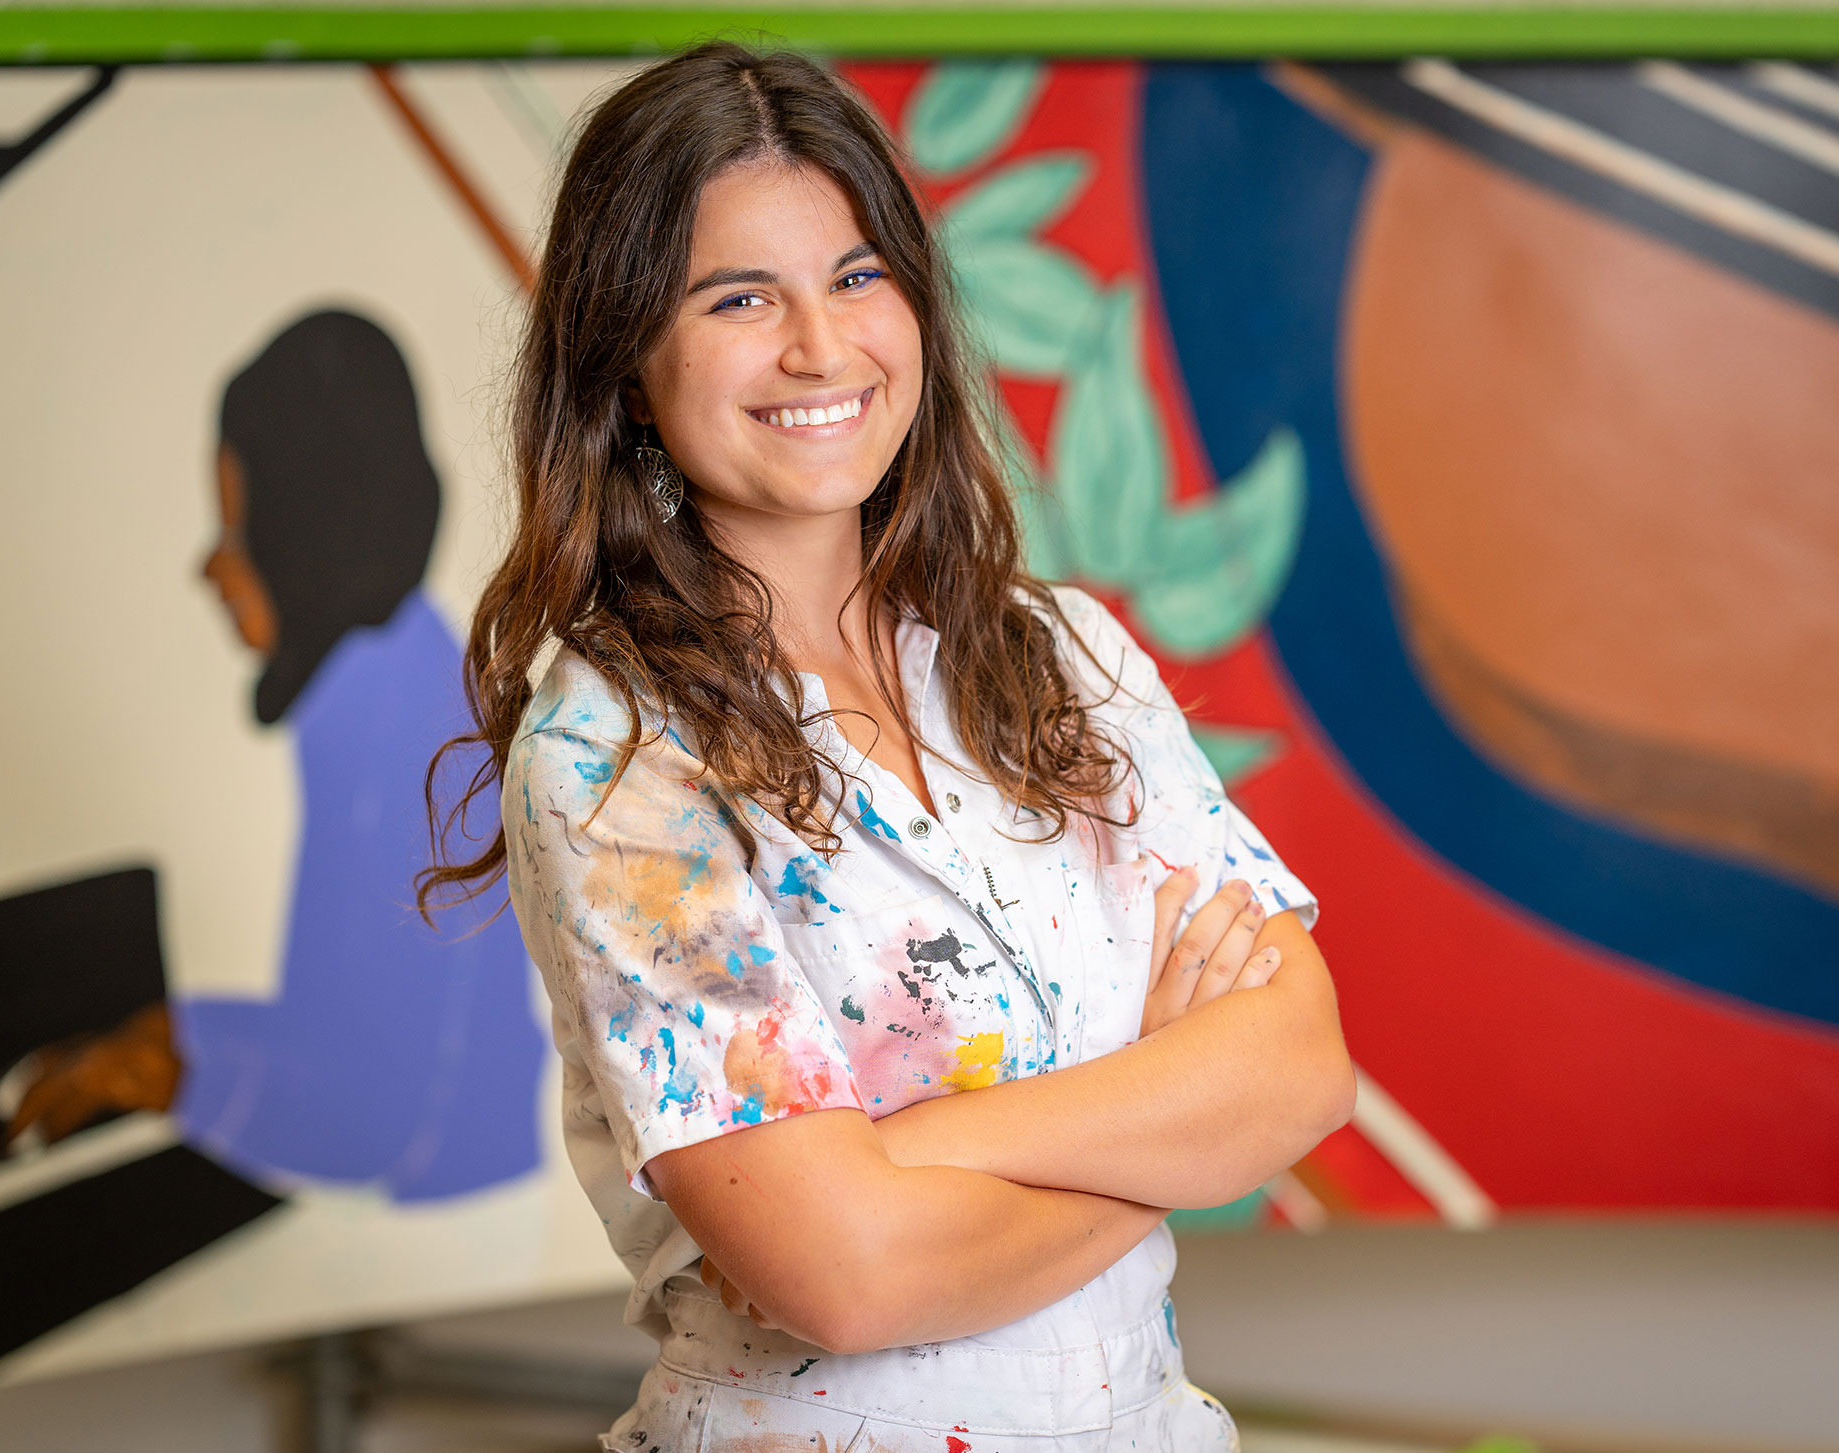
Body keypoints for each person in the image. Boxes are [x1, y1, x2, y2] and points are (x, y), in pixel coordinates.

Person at [422, 42, 1353, 1450]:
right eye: (742, 298)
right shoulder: (616, 761)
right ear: (624, 365)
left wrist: (915, 1151)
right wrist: (1175, 1120)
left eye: (859, 277)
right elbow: (845, 1276)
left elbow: (1299, 1069)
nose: (820, 346)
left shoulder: (1066, 659)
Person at [7, 310, 545, 1203]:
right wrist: (169, 1035)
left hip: (450, 1205)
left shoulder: (399, 728)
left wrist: (166, 1075)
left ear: (304, 532)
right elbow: (337, 1027)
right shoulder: (392, 679)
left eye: (235, 526)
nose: (210, 567)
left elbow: (366, 1113)